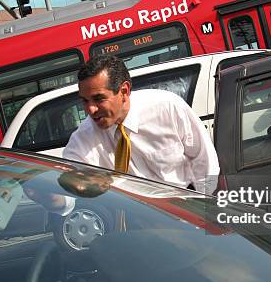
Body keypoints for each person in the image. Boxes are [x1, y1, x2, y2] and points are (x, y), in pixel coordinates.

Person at [63, 55, 219, 194]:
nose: (90, 109)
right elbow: (69, 184)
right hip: (134, 221)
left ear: (124, 91)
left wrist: (203, 207)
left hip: (185, 209)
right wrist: (57, 199)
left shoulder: (168, 108)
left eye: (99, 99)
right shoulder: (82, 139)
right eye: (84, 100)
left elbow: (205, 160)